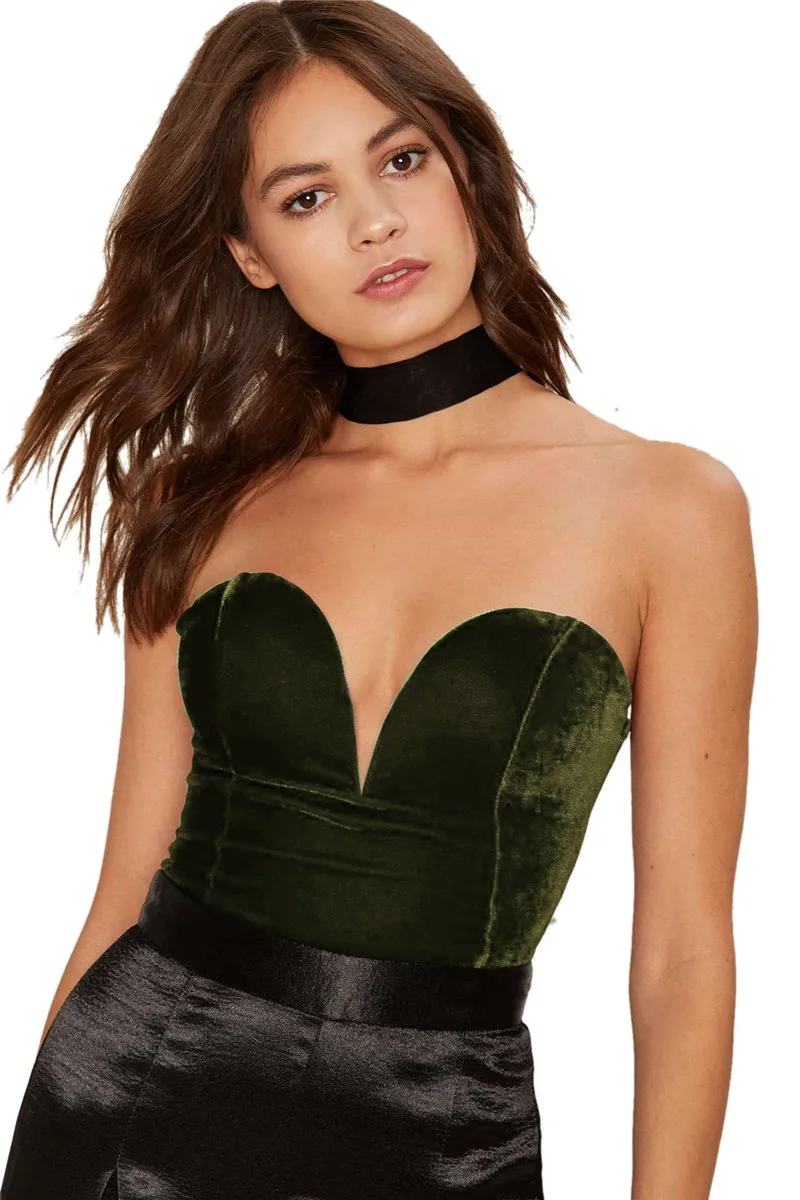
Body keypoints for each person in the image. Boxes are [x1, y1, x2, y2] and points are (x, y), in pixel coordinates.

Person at [0, 2, 757, 1198]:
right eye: (305, 197)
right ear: (251, 254)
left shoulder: (668, 507)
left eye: (400, 160)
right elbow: (122, 889)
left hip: (443, 1140)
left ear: (463, 167)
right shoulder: (197, 503)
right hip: (133, 1112)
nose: (373, 222)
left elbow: (680, 952)